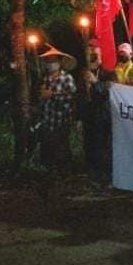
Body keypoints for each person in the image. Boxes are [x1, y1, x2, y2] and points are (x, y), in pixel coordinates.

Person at [78, 40, 115, 185]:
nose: (92, 57)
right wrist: (79, 117)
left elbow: (110, 92)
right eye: (89, 54)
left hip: (103, 116)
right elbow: (79, 96)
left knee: (103, 146)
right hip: (88, 116)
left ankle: (106, 175)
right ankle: (92, 174)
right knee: (90, 145)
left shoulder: (109, 74)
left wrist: (95, 83)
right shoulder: (83, 74)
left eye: (95, 54)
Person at [36, 46, 78, 168]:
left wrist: (52, 95)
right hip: (47, 118)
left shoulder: (67, 78)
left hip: (62, 119)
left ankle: (64, 170)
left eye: (53, 60)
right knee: (47, 146)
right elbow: (41, 98)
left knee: (61, 146)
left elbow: (71, 96)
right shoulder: (45, 79)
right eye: (48, 61)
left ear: (60, 62)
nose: (51, 64)